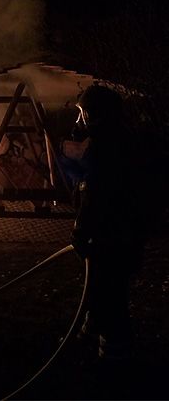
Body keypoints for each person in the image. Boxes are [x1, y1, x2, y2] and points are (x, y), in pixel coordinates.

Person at [70, 85, 145, 362]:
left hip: (112, 241)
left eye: (82, 114)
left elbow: (96, 195)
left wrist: (81, 231)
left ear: (95, 115)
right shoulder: (117, 141)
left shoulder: (107, 149)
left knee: (111, 298)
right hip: (118, 239)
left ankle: (113, 358)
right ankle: (97, 336)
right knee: (104, 292)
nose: (78, 122)